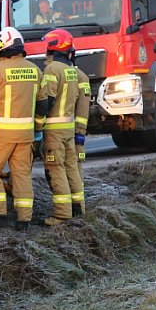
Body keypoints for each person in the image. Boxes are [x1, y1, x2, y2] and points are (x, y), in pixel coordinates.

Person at [0, 27, 48, 231]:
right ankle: (24, 218)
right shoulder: (35, 70)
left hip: (1, 134)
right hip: (26, 135)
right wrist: (38, 130)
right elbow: (42, 104)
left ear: (3, 48)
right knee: (22, 174)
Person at [41, 28, 85, 225]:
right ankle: (78, 208)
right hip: (68, 128)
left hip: (54, 129)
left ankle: (61, 214)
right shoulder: (72, 71)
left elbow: (47, 101)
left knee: (55, 168)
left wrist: (37, 119)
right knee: (71, 167)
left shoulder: (52, 69)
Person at [72, 61, 91, 216]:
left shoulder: (80, 77)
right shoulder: (80, 76)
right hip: (70, 132)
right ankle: (77, 209)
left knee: (75, 170)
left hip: (72, 133)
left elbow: (82, 110)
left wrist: (79, 133)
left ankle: (79, 209)